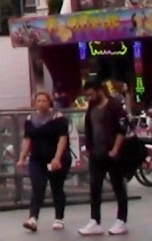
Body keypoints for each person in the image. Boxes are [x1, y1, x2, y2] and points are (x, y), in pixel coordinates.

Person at [79, 78, 128, 236]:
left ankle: (121, 220)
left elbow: (122, 128)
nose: (90, 98)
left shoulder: (114, 106)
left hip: (112, 153)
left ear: (99, 90)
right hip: (96, 154)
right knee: (95, 187)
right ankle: (95, 220)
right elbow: (89, 127)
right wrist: (88, 147)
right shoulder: (92, 107)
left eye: (91, 94)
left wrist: (115, 149)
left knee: (118, 186)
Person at [17, 91, 70, 232]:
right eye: (38, 101)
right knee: (37, 186)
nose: (41, 103)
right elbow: (27, 139)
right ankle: (33, 218)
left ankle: (59, 218)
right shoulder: (30, 119)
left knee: (56, 187)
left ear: (49, 102)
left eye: (44, 101)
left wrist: (57, 158)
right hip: (37, 158)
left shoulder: (58, 118)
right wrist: (22, 158)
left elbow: (62, 138)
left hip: (55, 157)